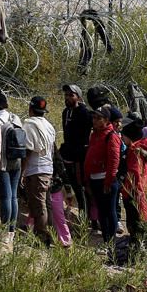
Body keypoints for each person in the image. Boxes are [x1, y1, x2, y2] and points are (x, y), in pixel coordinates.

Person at [19, 95, 59, 247]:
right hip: (47, 168)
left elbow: (28, 150)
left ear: (30, 109)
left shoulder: (29, 125)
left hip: (36, 170)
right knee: (44, 204)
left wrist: (22, 172)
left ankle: (43, 238)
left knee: (38, 205)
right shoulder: (49, 126)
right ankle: (47, 235)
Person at [119, 118, 147, 251]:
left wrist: (128, 191)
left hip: (137, 193)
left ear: (129, 137)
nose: (121, 138)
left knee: (135, 225)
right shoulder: (145, 149)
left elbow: (135, 174)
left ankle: (136, 253)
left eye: (123, 136)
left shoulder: (134, 151)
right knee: (145, 224)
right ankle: (144, 250)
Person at [83, 103, 124, 243]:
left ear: (106, 120)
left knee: (109, 211)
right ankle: (106, 239)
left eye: (98, 118)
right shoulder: (94, 135)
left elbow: (114, 161)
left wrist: (108, 181)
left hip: (106, 180)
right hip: (95, 179)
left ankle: (112, 241)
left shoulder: (111, 136)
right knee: (101, 210)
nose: (94, 120)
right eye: (94, 117)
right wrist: (87, 179)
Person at [0, 87, 24, 231]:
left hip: (2, 163)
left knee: (6, 197)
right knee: (14, 196)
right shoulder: (15, 118)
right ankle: (12, 230)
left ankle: (5, 228)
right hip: (17, 161)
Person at [58, 84, 91, 215]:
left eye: (71, 95)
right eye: (66, 95)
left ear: (78, 97)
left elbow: (85, 136)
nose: (67, 97)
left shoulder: (84, 113)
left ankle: (85, 216)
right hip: (68, 153)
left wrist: (79, 152)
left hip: (79, 156)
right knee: (69, 183)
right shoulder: (66, 112)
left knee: (80, 186)